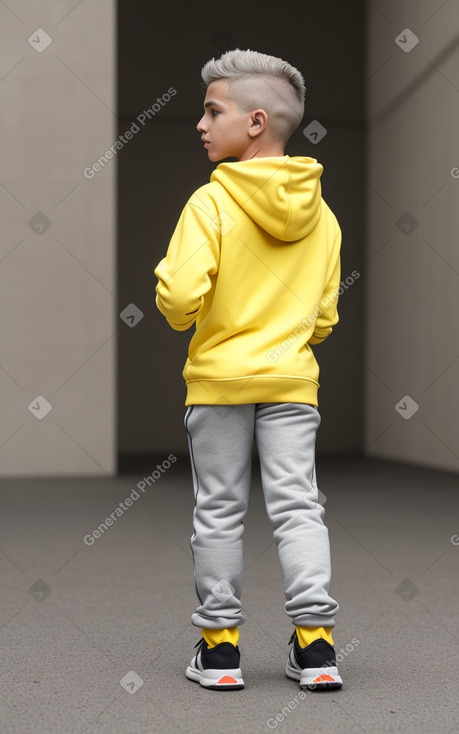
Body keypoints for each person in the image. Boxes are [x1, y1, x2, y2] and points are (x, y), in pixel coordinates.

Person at [154, 48, 343, 692]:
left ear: (256, 122)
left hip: (219, 381)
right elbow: (323, 318)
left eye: (213, 111)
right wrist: (284, 337)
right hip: (292, 380)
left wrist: (202, 312)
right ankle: (316, 649)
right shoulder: (324, 215)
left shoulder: (209, 205)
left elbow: (179, 304)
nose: (201, 124)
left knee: (219, 510)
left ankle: (220, 651)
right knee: (299, 507)